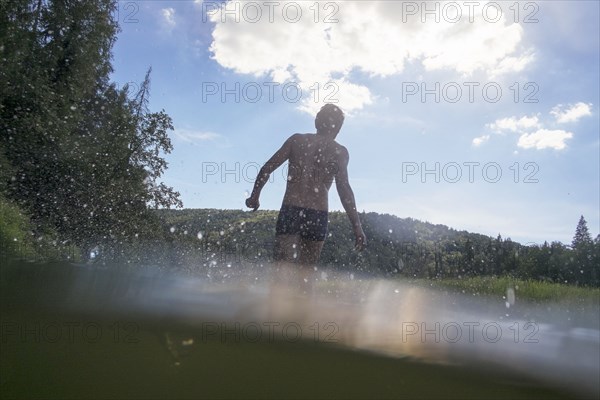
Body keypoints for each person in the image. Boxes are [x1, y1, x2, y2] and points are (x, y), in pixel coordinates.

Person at [245, 104, 366, 274]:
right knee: (305, 275)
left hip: (291, 210)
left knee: (280, 271)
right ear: (338, 128)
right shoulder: (339, 152)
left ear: (317, 122)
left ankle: (275, 300)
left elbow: (267, 168)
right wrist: (357, 226)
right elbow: (344, 189)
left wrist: (254, 196)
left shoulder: (297, 141)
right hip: (317, 215)